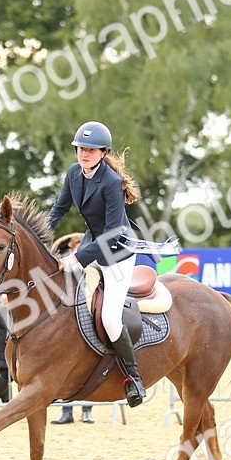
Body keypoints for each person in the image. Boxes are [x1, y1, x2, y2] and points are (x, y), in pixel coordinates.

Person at [46, 120, 146, 407]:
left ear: (103, 153)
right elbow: (59, 208)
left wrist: (76, 257)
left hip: (118, 251)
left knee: (110, 317)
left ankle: (133, 378)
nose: (84, 154)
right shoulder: (74, 173)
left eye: (90, 150)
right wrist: (40, 232)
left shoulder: (111, 183)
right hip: (92, 241)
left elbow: (113, 233)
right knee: (66, 301)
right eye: (80, 148)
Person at [51, 233, 94, 424]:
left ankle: (87, 410)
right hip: (67, 311)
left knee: (87, 366)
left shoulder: (89, 257)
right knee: (65, 368)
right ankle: (66, 411)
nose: (77, 248)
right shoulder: (63, 261)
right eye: (75, 246)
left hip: (85, 306)